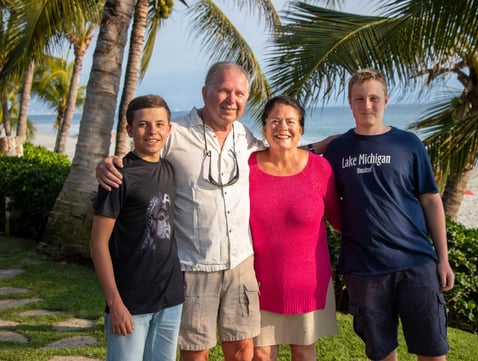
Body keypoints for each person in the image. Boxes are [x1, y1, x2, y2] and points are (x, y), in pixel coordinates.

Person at [95, 62, 333, 361]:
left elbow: (280, 149)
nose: (231, 99)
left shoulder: (245, 137)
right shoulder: (176, 133)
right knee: (196, 353)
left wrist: (322, 145)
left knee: (244, 350)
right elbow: (143, 152)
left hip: (240, 264)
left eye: (239, 93)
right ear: (205, 92)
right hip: (194, 265)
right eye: (223, 90)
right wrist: (109, 162)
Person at [323, 69, 455, 361]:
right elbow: (298, 167)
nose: (366, 105)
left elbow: (431, 199)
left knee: (433, 352)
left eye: (373, 98)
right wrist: (316, 146)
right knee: (383, 354)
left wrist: (443, 258)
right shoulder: (337, 149)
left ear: (386, 100)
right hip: (364, 268)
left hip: (417, 264)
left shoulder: (408, 143)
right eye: (359, 99)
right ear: (349, 102)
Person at [89, 94, 184, 361]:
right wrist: (115, 304)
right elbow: (98, 244)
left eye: (159, 124)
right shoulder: (119, 176)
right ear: (130, 130)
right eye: (143, 125)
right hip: (131, 303)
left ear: (168, 128)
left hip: (170, 299)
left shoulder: (169, 169)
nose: (152, 131)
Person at [249, 95, 341, 361]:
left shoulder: (320, 168)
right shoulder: (247, 166)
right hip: (258, 283)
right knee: (261, 356)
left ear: (301, 129)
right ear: (264, 127)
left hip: (308, 282)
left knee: (303, 353)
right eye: (274, 121)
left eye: (290, 121)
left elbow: (339, 218)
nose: (282, 127)